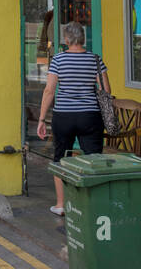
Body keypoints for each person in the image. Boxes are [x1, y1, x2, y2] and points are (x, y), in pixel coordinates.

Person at [37, 21, 112, 216]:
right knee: (93, 158)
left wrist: (41, 119)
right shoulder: (95, 59)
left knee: (60, 158)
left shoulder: (59, 60)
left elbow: (49, 91)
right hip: (90, 116)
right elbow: (106, 90)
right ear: (83, 39)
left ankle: (61, 205)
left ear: (67, 39)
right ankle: (91, 204)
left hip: (64, 116)